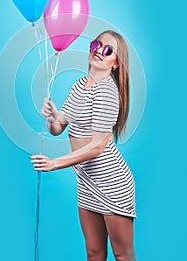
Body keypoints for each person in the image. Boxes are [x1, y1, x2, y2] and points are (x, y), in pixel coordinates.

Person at [30, 30, 137, 261]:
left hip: (112, 184)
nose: (99, 50)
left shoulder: (107, 92)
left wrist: (55, 163)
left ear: (116, 63)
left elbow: (98, 147)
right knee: (94, 252)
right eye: (97, 44)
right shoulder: (80, 85)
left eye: (108, 50)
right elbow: (59, 128)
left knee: (122, 254)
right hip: (87, 183)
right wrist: (52, 116)